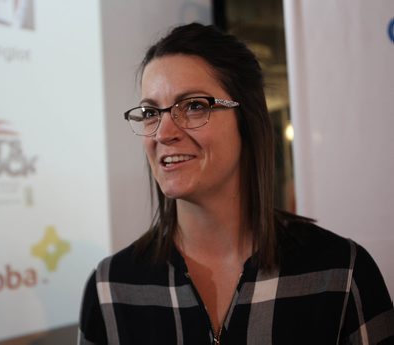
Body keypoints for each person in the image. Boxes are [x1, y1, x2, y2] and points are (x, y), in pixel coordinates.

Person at [78, 23, 394, 344]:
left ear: (247, 121)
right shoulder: (111, 289)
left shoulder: (340, 274)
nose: (163, 133)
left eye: (194, 106)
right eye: (149, 112)